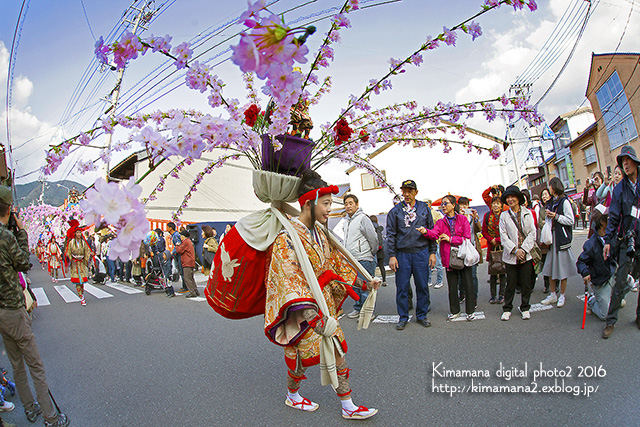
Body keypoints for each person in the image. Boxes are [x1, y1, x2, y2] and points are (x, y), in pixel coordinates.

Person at [264, 170, 379, 420]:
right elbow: (287, 278)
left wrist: (363, 283)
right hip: (301, 309)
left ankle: (347, 405)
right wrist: (311, 315)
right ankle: (293, 394)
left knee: (336, 349)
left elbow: (335, 265)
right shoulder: (287, 237)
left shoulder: (321, 233)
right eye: (326, 203)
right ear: (309, 203)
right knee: (297, 358)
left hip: (323, 305)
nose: (330, 209)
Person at [0, 186, 70, 427]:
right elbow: (23, 263)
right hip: (13, 309)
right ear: (9, 209)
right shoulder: (6, 236)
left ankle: (30, 408)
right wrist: (21, 232)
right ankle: (51, 417)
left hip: (0, 314)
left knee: (16, 365)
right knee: (35, 366)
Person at [386, 180, 436, 330]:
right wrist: (392, 255)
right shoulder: (395, 211)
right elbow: (391, 234)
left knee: (422, 286)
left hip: (421, 252)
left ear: (416, 192)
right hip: (402, 254)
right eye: (404, 191)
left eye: (410, 191)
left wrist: (432, 252)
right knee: (402, 287)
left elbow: (432, 232)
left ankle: (421, 315)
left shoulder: (424, 209)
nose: (407, 194)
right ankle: (403, 316)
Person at [602, 146, 640, 338]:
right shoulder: (619, 189)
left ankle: (639, 316)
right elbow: (614, 216)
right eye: (622, 161)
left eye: (628, 160)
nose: (625, 164)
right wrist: (608, 240)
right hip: (628, 239)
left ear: (635, 162)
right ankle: (610, 321)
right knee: (620, 282)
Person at [419, 195, 475, 321]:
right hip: (449, 257)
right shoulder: (440, 222)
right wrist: (425, 231)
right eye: (442, 204)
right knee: (452, 285)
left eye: (446, 203)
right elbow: (434, 234)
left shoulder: (463, 219)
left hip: (463, 255)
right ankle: (455, 311)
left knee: (468, 284)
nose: (443, 206)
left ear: (453, 205)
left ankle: (470, 311)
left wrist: (450, 239)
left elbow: (467, 237)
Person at [499, 185, 537, 321]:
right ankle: (507, 308)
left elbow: (532, 233)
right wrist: (515, 250)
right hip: (511, 255)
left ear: (518, 198)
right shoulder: (504, 215)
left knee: (526, 283)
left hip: (526, 254)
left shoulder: (527, 213)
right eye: (507, 197)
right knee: (510, 283)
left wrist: (524, 250)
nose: (510, 200)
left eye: (512, 197)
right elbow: (503, 235)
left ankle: (525, 307)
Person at [540, 178, 576, 308]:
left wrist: (555, 216)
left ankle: (562, 295)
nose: (549, 189)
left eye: (550, 186)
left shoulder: (564, 201)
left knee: (562, 268)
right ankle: (553, 294)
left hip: (561, 239)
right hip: (552, 239)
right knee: (550, 267)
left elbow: (570, 220)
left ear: (554, 187)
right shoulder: (552, 202)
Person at [342, 194, 378, 319]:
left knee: (365, 286)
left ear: (357, 204)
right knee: (355, 286)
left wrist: (370, 253)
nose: (348, 206)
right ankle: (358, 308)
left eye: (351, 203)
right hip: (351, 259)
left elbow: (372, 237)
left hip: (363, 257)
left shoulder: (363, 218)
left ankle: (367, 312)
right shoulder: (346, 221)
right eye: (346, 204)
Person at [576, 211, 615, 321]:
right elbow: (580, 262)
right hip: (601, 281)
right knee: (604, 315)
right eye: (609, 218)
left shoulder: (612, 236)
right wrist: (585, 273)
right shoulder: (591, 244)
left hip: (612, 275)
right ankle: (592, 301)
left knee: (629, 281)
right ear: (602, 222)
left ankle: (614, 298)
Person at [458, 197, 481, 308]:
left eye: (465, 205)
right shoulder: (456, 217)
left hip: (471, 249)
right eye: (461, 205)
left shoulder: (472, 216)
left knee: (472, 275)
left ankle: (473, 298)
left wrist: (475, 218)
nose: (463, 207)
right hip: (459, 249)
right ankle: (462, 293)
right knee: (460, 275)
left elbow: (478, 230)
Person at [482, 196, 506, 304]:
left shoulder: (505, 215)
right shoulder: (487, 216)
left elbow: (508, 231)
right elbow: (484, 230)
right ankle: (493, 295)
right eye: (494, 203)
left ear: (501, 205)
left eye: (498, 203)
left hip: (503, 246)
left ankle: (502, 294)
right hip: (492, 247)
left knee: (502, 271)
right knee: (493, 271)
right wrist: (491, 239)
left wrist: (498, 239)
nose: (495, 205)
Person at [65, 222, 92, 306]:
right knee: (77, 281)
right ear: (75, 234)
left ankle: (82, 294)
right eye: (77, 232)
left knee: (82, 281)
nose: (79, 234)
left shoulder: (84, 243)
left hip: (82, 263)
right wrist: (69, 259)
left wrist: (86, 260)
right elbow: (68, 252)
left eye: (80, 232)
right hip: (74, 263)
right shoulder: (71, 242)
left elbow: (87, 252)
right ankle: (81, 297)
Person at [425, 199, 444, 289]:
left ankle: (439, 281)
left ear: (429, 204)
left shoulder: (436, 213)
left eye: (426, 203)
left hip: (435, 240)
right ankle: (428, 280)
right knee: (427, 262)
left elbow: (440, 226)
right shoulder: (423, 213)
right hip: (426, 241)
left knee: (438, 261)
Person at [176, 230, 199, 298]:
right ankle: (195, 290)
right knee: (191, 277)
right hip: (191, 261)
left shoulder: (185, 242)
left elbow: (179, 250)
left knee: (187, 278)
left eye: (181, 236)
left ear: (183, 236)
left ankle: (192, 292)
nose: (180, 237)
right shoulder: (189, 241)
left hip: (187, 262)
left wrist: (177, 246)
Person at [539, 188, 553, 294]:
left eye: (546, 194)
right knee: (544, 261)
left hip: (553, 238)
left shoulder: (554, 206)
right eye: (543, 195)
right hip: (544, 239)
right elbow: (539, 223)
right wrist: (545, 223)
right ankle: (546, 285)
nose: (544, 196)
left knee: (554, 262)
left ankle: (555, 284)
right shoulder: (541, 210)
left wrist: (546, 222)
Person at [167, 222, 187, 292]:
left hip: (179, 255)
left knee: (182, 271)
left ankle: (185, 287)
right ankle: (185, 286)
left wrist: (173, 252)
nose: (167, 229)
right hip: (178, 255)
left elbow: (178, 245)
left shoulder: (175, 235)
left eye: (167, 227)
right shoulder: (175, 235)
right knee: (181, 271)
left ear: (170, 228)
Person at [370, 215, 387, 287]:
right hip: (380, 250)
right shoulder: (379, 228)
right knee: (381, 266)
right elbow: (380, 238)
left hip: (373, 250)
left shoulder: (370, 228)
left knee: (372, 267)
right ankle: (384, 280)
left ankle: (372, 282)